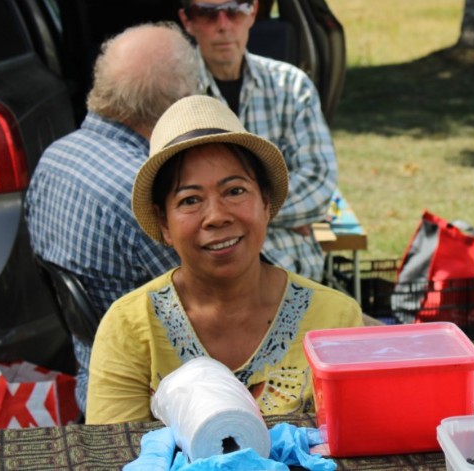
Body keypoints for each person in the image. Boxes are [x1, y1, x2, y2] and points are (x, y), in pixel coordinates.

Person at [86, 95, 364, 424]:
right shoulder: (130, 327)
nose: (216, 216)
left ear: (265, 202)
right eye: (190, 200)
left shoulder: (334, 320)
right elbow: (113, 453)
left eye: (235, 191)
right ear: (165, 224)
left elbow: (352, 447)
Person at [25, 22, 198, 412]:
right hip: (161, 401)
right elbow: (224, 299)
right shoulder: (144, 192)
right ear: (181, 103)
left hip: (91, 378)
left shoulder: (57, 155)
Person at [178, 0, 335, 282]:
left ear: (253, 11)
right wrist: (275, 211)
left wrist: (224, 218)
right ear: (187, 20)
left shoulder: (292, 85)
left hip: (291, 275)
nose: (223, 24)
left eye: (234, 9)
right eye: (207, 12)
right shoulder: (173, 93)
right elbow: (165, 210)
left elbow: (320, 186)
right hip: (211, 285)